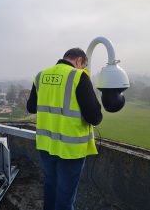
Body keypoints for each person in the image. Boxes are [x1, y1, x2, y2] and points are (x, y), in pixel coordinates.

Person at [27, 48, 102, 210]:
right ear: (80, 61)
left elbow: (31, 107)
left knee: (50, 188)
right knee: (65, 196)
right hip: (71, 149)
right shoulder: (78, 76)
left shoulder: (41, 76)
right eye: (84, 66)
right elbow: (94, 117)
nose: (83, 69)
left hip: (46, 145)